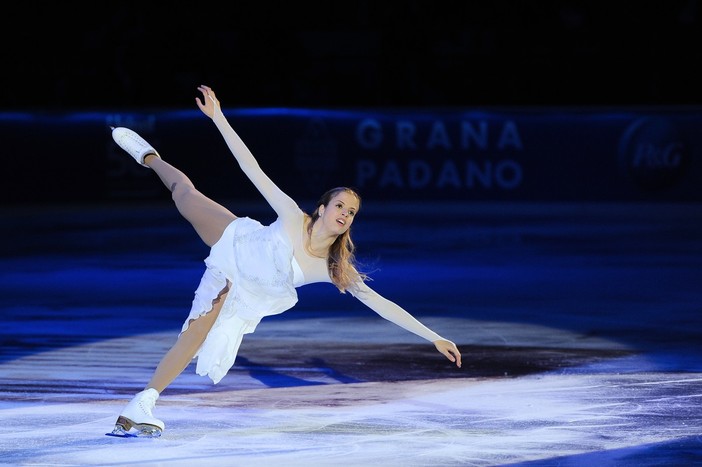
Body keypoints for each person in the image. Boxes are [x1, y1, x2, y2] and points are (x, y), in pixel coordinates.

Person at [109, 85, 462, 438]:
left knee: (196, 332)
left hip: (246, 290)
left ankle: (143, 402)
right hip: (235, 243)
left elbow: (382, 304)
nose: (345, 214)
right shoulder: (293, 217)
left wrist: (434, 337)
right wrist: (218, 117)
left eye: (351, 212)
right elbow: (252, 167)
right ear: (322, 208)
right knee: (185, 194)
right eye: (339, 206)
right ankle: (149, 155)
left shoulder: (333, 267)